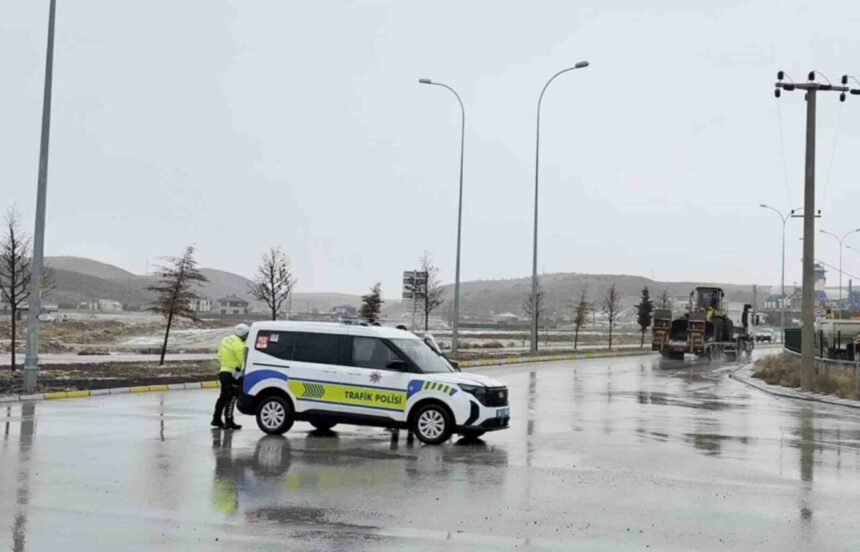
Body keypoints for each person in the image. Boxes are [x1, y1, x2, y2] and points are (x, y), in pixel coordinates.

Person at [212, 324, 249, 430]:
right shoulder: (240, 345)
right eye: (247, 334)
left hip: (223, 371)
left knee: (223, 397)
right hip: (233, 374)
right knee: (232, 397)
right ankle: (229, 421)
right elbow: (243, 361)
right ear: (244, 334)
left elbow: (219, 356)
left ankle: (216, 419)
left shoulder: (225, 340)